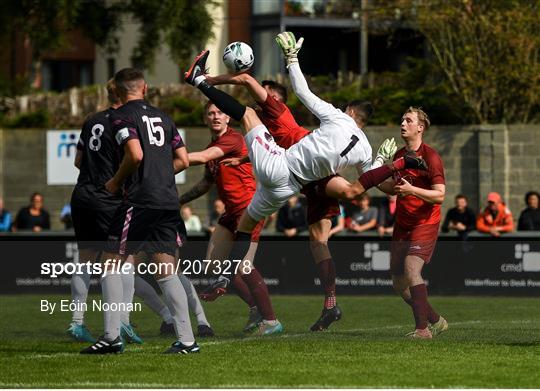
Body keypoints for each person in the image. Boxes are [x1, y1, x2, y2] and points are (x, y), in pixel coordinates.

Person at [186, 34, 423, 330]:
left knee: (246, 115)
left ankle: (197, 81)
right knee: (254, 227)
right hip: (289, 186)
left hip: (281, 169)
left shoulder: (308, 115)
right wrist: (383, 166)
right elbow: (377, 186)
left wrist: (292, 59)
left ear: (349, 111)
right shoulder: (361, 145)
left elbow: (291, 89)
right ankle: (237, 280)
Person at [81, 68, 195, 355]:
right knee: (166, 272)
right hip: (168, 200)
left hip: (140, 200)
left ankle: (111, 336)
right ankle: (187, 340)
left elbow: (135, 154)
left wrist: (115, 182)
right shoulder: (165, 118)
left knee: (109, 263)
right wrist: (158, 174)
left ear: (118, 92)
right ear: (145, 88)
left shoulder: (121, 116)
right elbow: (182, 160)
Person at [179, 101, 281, 335]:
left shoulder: (233, 139)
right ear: (206, 118)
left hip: (248, 209)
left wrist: (165, 156)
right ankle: (256, 309)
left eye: (220, 112)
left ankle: (271, 321)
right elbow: (206, 182)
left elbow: (203, 156)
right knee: (214, 264)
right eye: (211, 113)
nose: (215, 116)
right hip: (230, 213)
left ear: (228, 118)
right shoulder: (213, 145)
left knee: (243, 266)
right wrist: (180, 200)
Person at [377, 107, 448, 339]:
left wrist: (412, 190)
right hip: (403, 223)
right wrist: (372, 176)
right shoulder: (399, 156)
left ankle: (422, 330)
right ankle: (436, 320)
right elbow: (394, 188)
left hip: (425, 222)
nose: (403, 124)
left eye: (408, 120)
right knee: (398, 283)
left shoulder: (431, 157)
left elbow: (440, 195)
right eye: (402, 120)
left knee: (411, 268)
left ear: (421, 127)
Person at [67, 78, 126, 344]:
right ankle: (117, 326)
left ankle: (77, 323)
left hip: (82, 195)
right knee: (114, 265)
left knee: (85, 260)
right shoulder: (123, 121)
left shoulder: (92, 120)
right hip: (107, 198)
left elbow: (78, 160)